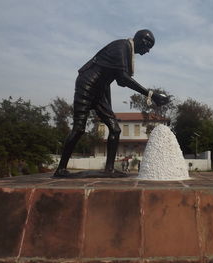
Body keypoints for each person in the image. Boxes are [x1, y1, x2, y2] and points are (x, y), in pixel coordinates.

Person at [54, 29, 169, 177]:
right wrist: (151, 94)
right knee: (79, 129)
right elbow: (123, 78)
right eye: (148, 47)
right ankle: (60, 169)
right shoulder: (121, 47)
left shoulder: (127, 51)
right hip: (87, 85)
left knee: (115, 129)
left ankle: (109, 169)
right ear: (141, 41)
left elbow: (117, 80)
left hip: (100, 90)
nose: (147, 52)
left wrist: (108, 108)